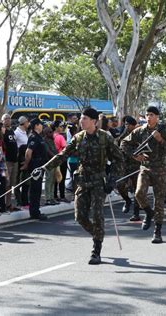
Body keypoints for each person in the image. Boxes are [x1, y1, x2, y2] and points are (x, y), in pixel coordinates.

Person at [42, 108, 124, 264]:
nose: (81, 120)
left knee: (97, 215)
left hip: (99, 182)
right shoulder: (78, 138)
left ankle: (96, 250)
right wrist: (45, 167)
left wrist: (112, 180)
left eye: (85, 118)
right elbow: (63, 155)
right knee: (79, 216)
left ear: (94, 121)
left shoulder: (105, 138)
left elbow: (118, 159)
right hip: (82, 181)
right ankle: (98, 235)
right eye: (81, 118)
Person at [121, 106, 166, 244]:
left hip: (160, 169)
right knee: (138, 193)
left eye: (152, 115)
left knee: (159, 201)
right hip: (145, 168)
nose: (149, 117)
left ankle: (157, 231)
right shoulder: (141, 130)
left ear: (157, 117)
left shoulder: (163, 130)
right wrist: (135, 155)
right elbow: (124, 143)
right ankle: (148, 212)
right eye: (147, 114)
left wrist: (161, 139)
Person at [21, 118, 47, 220]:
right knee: (35, 189)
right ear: (36, 125)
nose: (42, 126)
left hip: (40, 165)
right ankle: (34, 212)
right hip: (35, 165)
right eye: (40, 124)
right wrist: (27, 164)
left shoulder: (38, 137)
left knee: (38, 189)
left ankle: (36, 210)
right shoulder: (33, 137)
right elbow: (28, 152)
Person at [116, 116, 141, 220]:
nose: (126, 126)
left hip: (136, 165)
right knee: (119, 184)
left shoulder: (139, 135)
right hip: (124, 165)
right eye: (125, 124)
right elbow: (117, 144)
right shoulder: (123, 134)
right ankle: (127, 200)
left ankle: (136, 214)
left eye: (128, 125)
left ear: (133, 125)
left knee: (137, 190)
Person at [2, 114, 20, 212]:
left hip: (15, 160)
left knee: (12, 184)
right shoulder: (2, 131)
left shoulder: (11, 131)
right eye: (6, 118)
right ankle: (4, 204)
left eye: (9, 118)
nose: (8, 120)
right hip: (7, 160)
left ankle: (9, 204)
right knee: (6, 184)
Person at [52, 121, 69, 203]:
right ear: (56, 127)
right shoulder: (60, 137)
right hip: (61, 159)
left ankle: (54, 195)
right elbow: (65, 148)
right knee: (62, 178)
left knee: (55, 178)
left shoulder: (51, 136)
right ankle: (62, 196)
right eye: (61, 126)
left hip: (54, 159)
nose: (62, 128)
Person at [15, 116, 29, 207]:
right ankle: (18, 200)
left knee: (26, 181)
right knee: (17, 181)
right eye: (27, 122)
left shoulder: (25, 132)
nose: (28, 123)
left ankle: (25, 200)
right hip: (19, 159)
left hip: (26, 158)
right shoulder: (16, 133)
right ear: (23, 123)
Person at [43, 125, 59, 205]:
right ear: (46, 133)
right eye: (50, 132)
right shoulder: (45, 141)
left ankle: (52, 197)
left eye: (52, 131)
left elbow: (55, 150)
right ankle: (47, 198)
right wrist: (55, 157)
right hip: (49, 162)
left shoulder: (52, 140)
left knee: (53, 180)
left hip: (54, 162)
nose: (52, 133)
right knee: (49, 180)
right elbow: (48, 151)